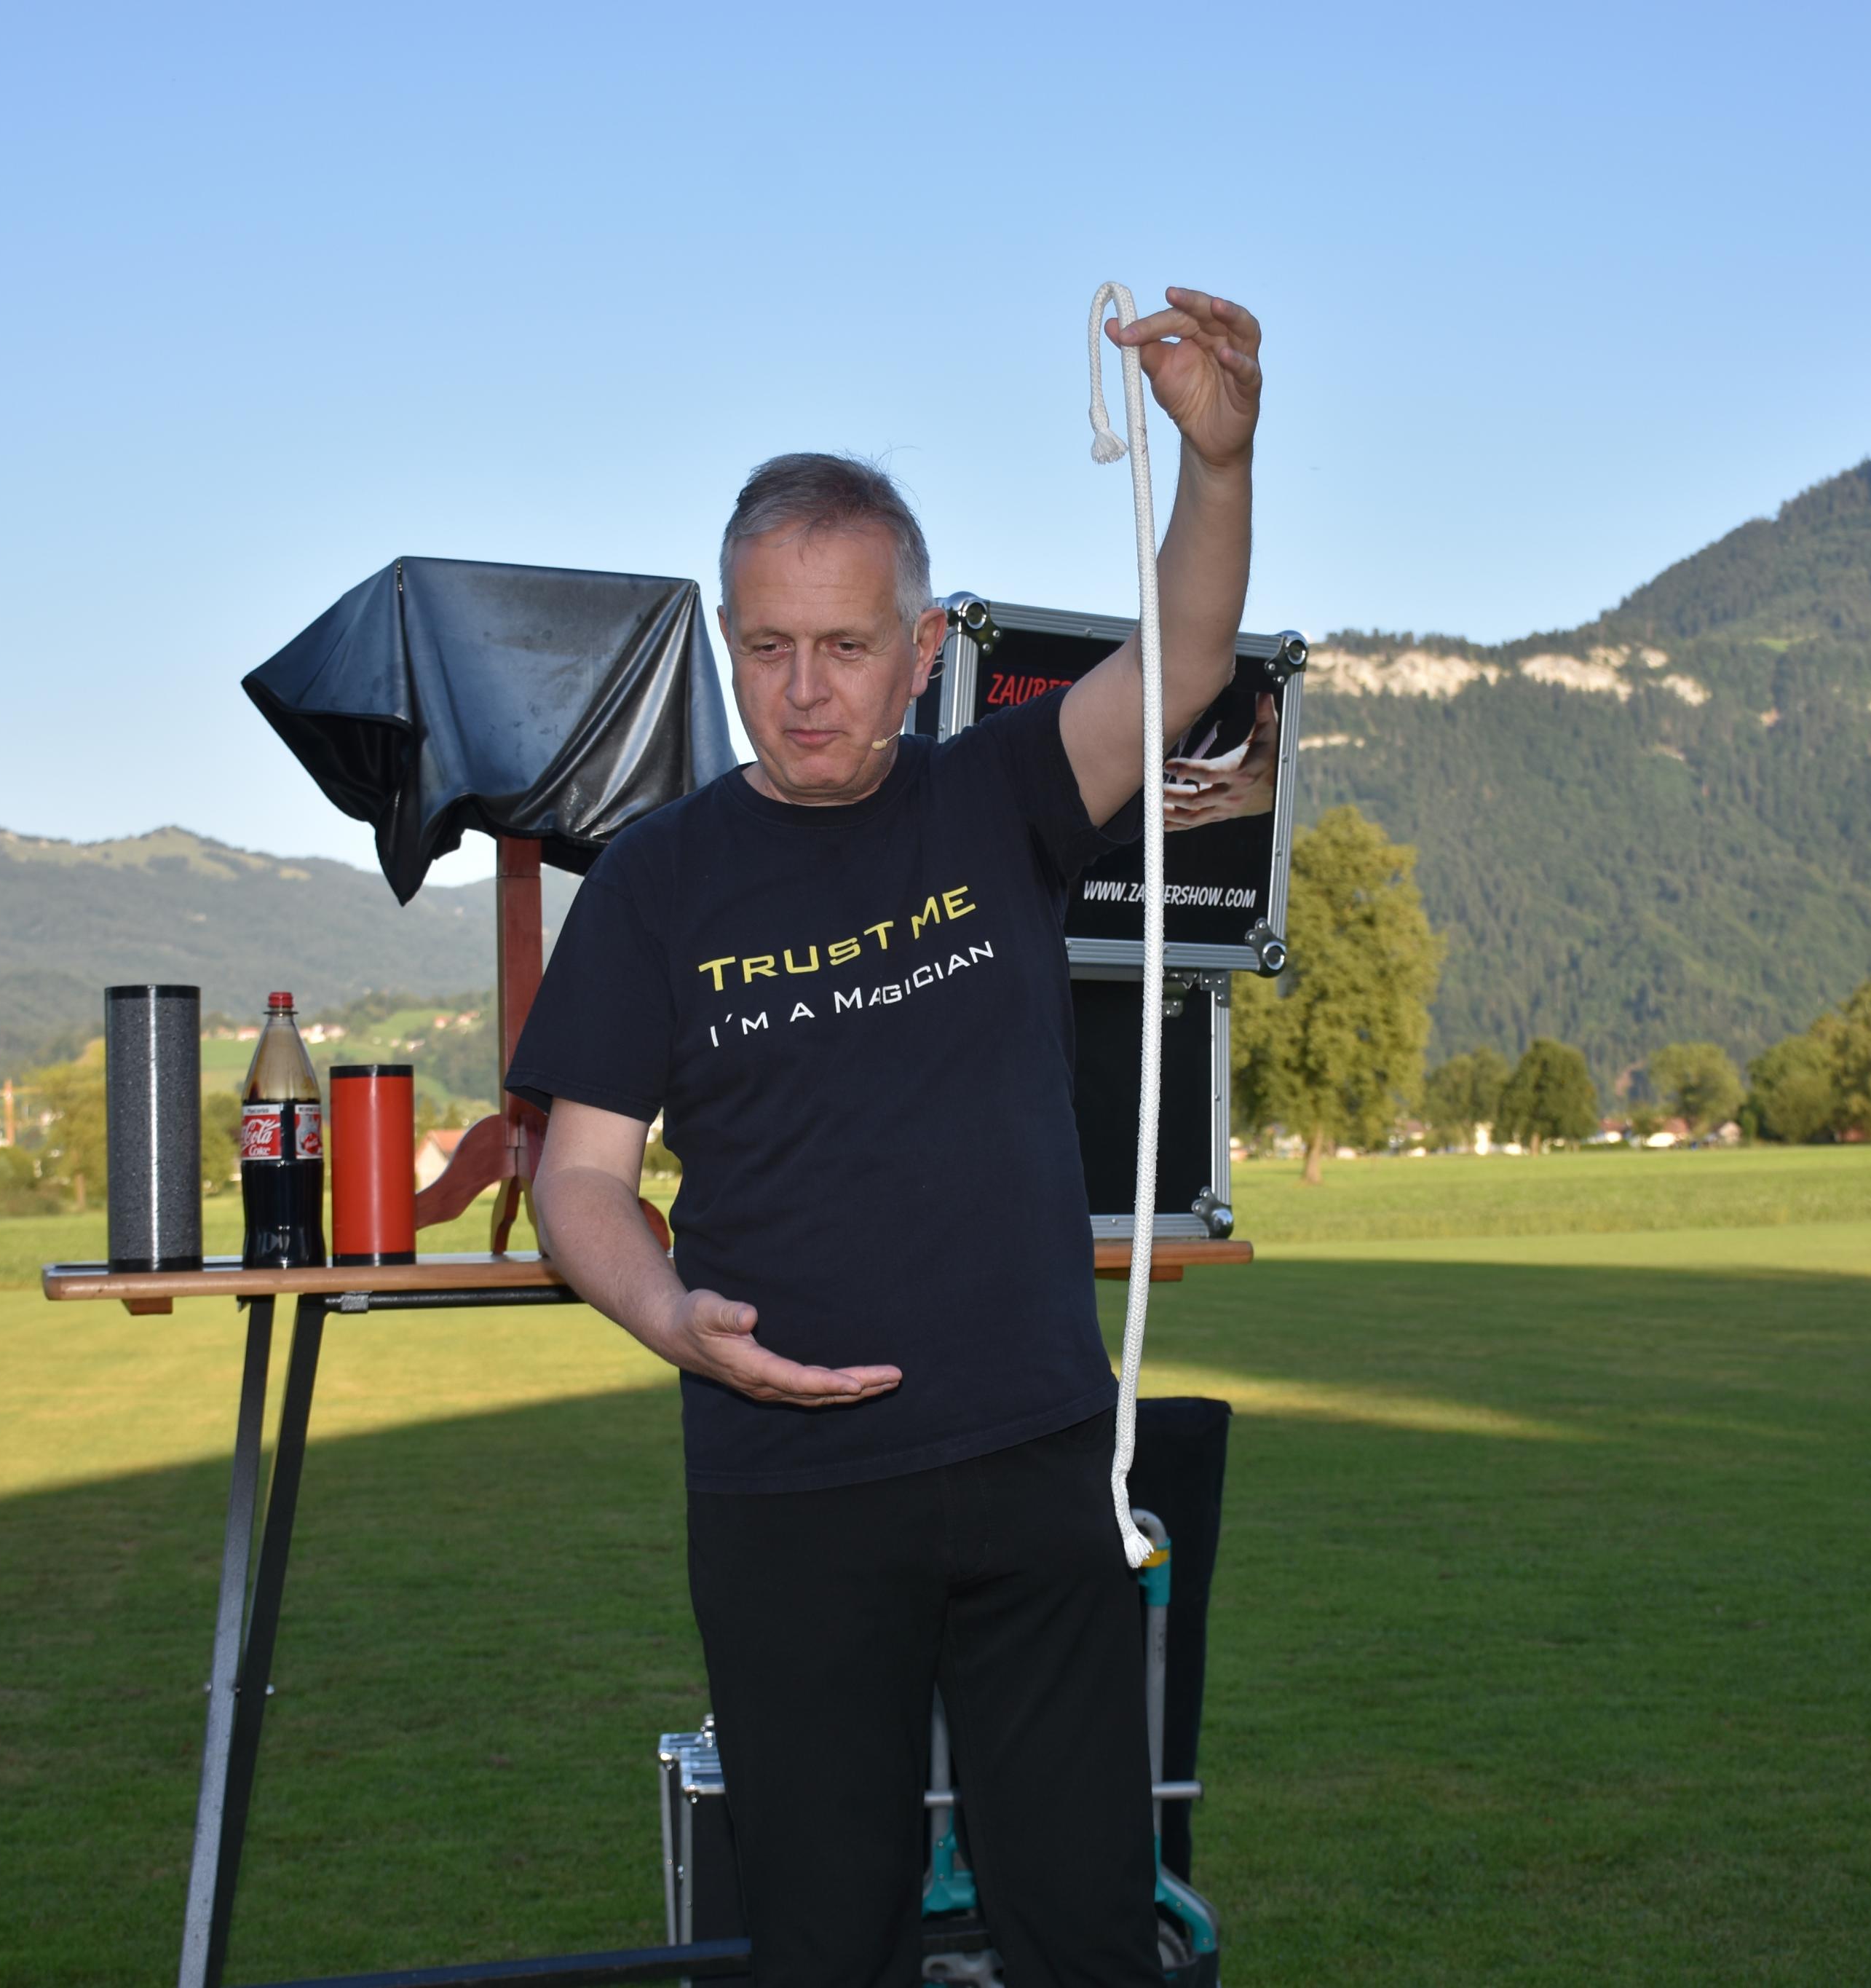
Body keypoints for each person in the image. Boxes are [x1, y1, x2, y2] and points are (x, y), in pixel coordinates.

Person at [508, 288, 1262, 1987]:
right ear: (726, 640)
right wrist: (664, 1314)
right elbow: (578, 1181)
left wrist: (1216, 466)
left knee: (1084, 1931)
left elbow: (1190, 657)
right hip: (786, 1491)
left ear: (920, 651)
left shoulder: (997, 796)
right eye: (766, 648)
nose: (802, 693)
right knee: (822, 1943)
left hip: (1032, 1458)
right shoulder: (655, 884)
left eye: (845, 649)